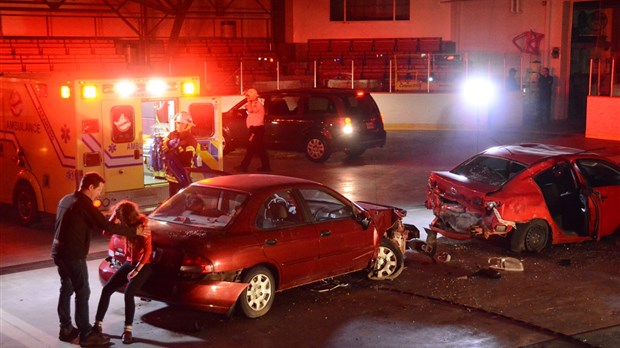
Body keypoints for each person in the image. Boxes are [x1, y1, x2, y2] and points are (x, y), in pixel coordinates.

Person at [51, 172, 150, 347]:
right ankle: (87, 334)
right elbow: (106, 227)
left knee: (66, 289)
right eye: (99, 189)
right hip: (73, 255)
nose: (100, 194)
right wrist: (135, 232)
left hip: (58, 251)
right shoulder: (84, 204)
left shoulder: (65, 200)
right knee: (83, 292)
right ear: (90, 187)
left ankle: (65, 328)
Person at [94, 200, 152, 345]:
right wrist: (113, 215)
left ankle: (128, 331)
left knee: (129, 293)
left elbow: (148, 251)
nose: (119, 220)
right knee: (107, 289)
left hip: (143, 265)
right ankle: (97, 325)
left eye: (120, 217)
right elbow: (106, 232)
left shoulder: (142, 224)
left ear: (128, 217)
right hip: (128, 262)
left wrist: (136, 270)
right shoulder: (123, 224)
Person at [234, 88, 270, 172]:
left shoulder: (257, 104)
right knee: (260, 149)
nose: (247, 97)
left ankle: (243, 167)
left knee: (251, 149)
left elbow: (250, 110)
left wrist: (248, 102)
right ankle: (266, 167)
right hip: (255, 130)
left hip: (256, 130)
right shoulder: (254, 103)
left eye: (248, 95)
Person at [163, 111, 197, 197]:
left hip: (182, 174)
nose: (178, 125)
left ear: (188, 125)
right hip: (171, 174)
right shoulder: (172, 134)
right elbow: (162, 145)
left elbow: (186, 158)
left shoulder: (190, 140)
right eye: (177, 123)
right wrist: (169, 146)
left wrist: (175, 150)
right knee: (173, 198)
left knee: (181, 198)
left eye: (181, 124)